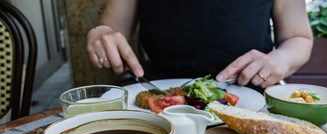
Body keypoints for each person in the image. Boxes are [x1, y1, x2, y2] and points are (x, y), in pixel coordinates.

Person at [87, 0, 313, 89]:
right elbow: (110, 29)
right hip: (158, 96)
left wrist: (280, 59)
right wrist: (101, 36)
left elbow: (298, 38)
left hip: (248, 96)